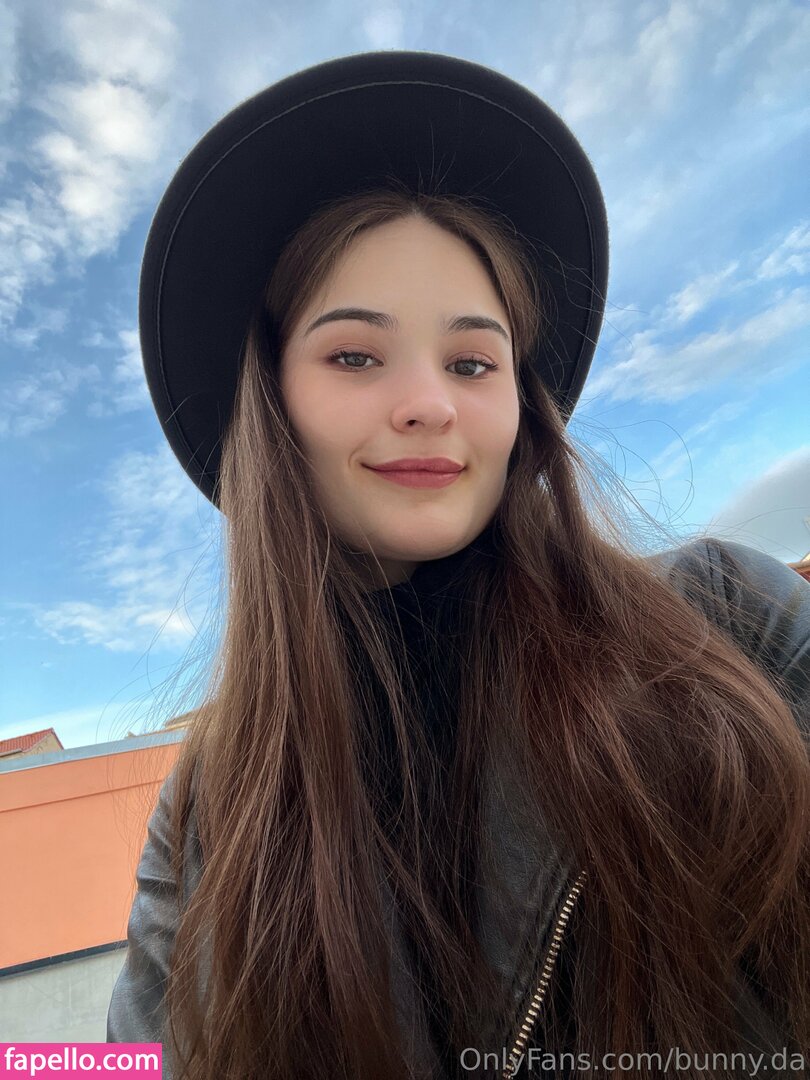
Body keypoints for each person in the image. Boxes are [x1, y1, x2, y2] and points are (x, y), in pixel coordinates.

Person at [106, 51, 809, 1080]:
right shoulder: (213, 804)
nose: (430, 403)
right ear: (272, 406)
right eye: (355, 354)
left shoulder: (728, 621)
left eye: (473, 361)